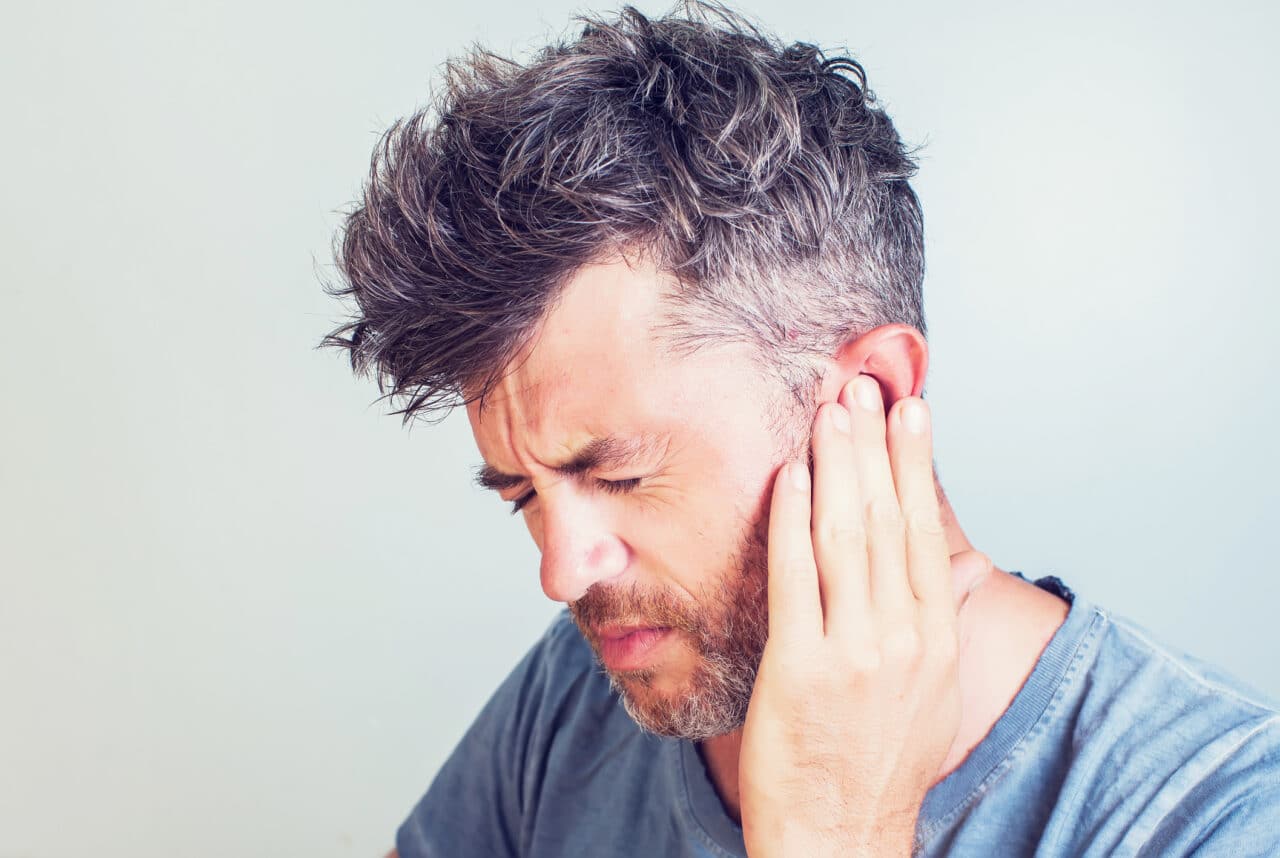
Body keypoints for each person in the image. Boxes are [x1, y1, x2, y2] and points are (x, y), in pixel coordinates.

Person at [322, 3, 1280, 855]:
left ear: (867, 390)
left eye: (618, 477)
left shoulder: (1221, 815)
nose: (561, 572)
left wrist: (835, 835)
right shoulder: (582, 695)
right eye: (525, 494)